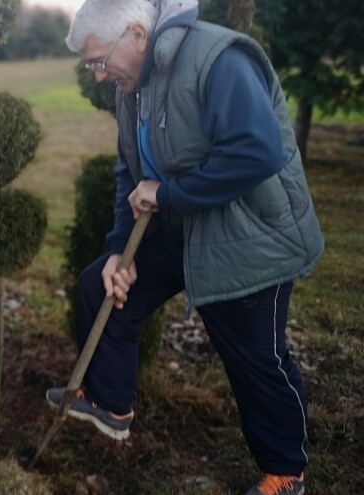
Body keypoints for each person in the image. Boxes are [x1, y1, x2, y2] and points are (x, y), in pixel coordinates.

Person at [46, 1, 323, 494]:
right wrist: (117, 250)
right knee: (102, 288)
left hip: (252, 235)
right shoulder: (133, 85)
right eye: (91, 65)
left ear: (136, 34)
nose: (98, 74)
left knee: (255, 358)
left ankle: (286, 472)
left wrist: (168, 193)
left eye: (99, 60)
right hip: (186, 226)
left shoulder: (218, 58)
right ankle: (111, 405)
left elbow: (257, 151)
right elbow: (129, 174)